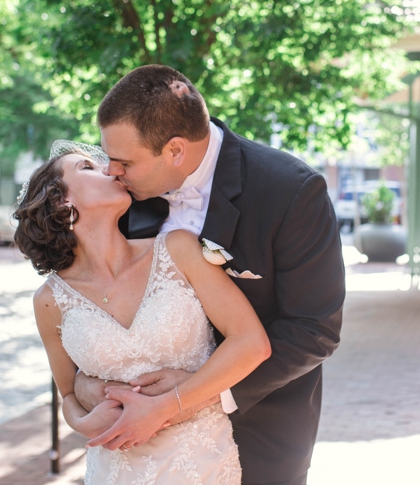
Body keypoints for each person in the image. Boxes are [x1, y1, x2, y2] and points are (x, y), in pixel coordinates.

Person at [70, 65, 345, 485]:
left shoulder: (290, 192)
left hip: (260, 424)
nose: (111, 171)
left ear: (175, 150)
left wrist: (195, 396)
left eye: (124, 161)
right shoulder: (123, 199)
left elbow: (315, 329)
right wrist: (95, 391)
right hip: (147, 447)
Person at [21, 144, 272, 483]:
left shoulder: (178, 250)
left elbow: (252, 343)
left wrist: (172, 404)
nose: (110, 169)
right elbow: (67, 393)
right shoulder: (50, 300)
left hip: (199, 465)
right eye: (87, 168)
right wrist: (81, 422)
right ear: (62, 202)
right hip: (116, 468)